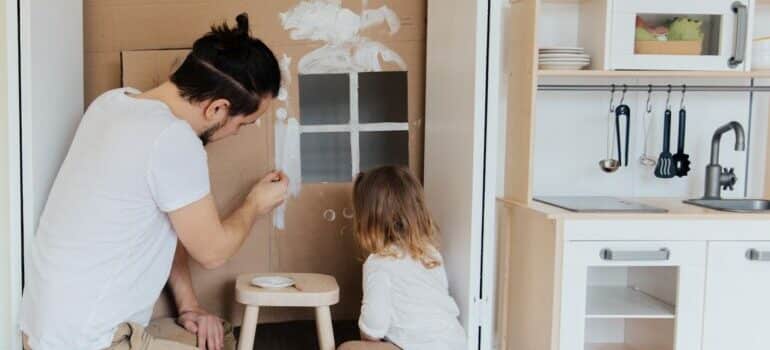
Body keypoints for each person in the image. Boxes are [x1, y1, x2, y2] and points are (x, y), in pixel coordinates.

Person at [19, 13, 286, 350]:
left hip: (47, 331)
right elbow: (213, 252)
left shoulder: (113, 104)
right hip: (91, 341)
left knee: (219, 335)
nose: (236, 133)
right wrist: (255, 204)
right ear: (217, 109)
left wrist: (189, 306)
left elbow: (172, 221)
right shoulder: (173, 140)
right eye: (243, 124)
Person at [338, 166, 467, 350]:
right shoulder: (430, 253)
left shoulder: (378, 263)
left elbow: (374, 324)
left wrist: (367, 337)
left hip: (414, 346)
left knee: (347, 348)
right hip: (455, 343)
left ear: (367, 221)